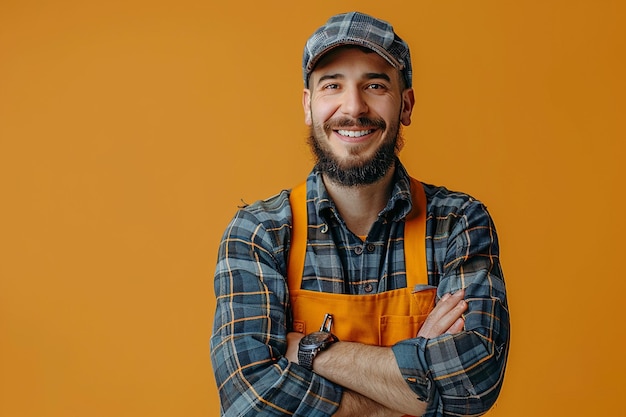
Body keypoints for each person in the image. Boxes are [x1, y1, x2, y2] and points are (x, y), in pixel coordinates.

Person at [210, 11, 509, 417]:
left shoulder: (458, 223)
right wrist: (415, 394)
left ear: (406, 104)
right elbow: (252, 402)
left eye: (375, 84)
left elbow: (475, 384)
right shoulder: (259, 233)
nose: (353, 106)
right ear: (308, 105)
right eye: (333, 85)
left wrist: (313, 352)